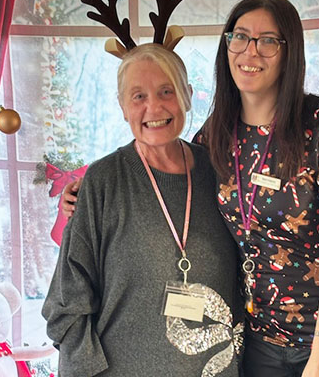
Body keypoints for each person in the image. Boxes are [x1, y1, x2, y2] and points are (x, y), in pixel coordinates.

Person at [61, 0, 319, 376]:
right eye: (239, 37)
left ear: (290, 51)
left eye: (268, 40)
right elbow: (158, 162)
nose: (250, 52)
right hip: (257, 337)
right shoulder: (216, 136)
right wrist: (85, 197)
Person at [43, 44, 243, 376]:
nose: (154, 107)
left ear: (188, 95)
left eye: (167, 91)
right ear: (122, 106)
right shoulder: (103, 180)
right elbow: (67, 300)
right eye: (138, 96)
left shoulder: (220, 171)